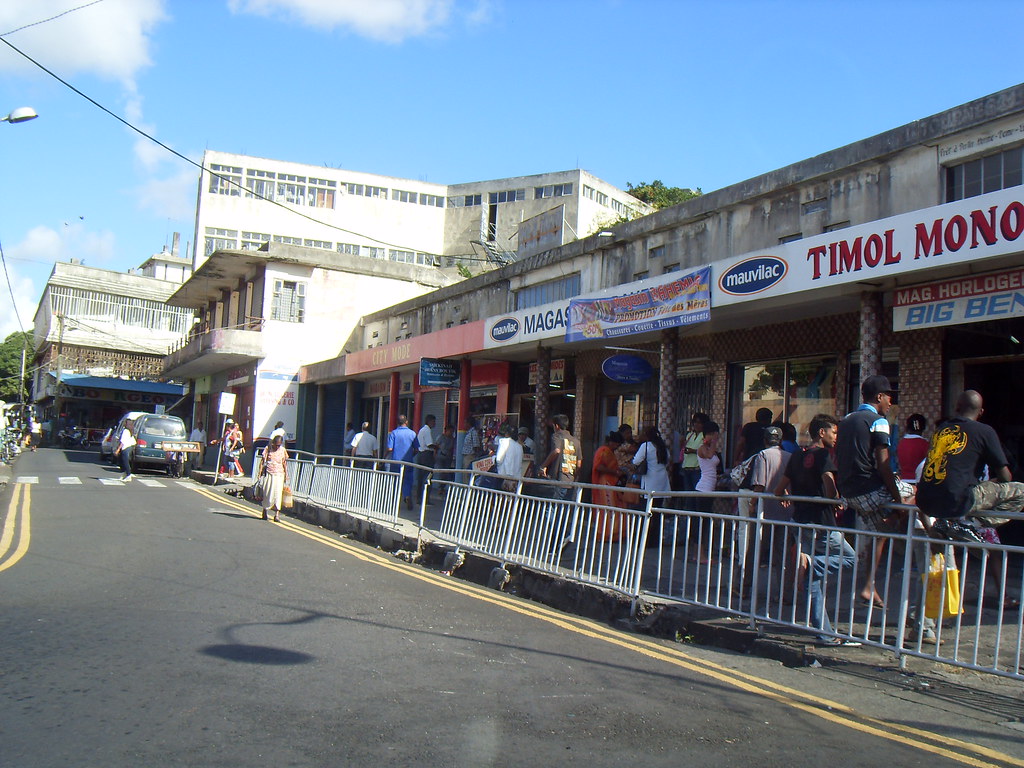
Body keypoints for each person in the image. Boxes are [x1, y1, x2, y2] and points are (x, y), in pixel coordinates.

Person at [775, 414, 860, 646]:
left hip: (800, 521)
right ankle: (811, 562)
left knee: (813, 580)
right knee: (850, 559)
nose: (836, 437)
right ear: (821, 433)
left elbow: (778, 490)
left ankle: (824, 632)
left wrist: (788, 497)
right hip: (822, 523)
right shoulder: (823, 455)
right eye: (834, 432)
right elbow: (830, 488)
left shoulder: (796, 456)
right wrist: (836, 498)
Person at [836, 374, 913, 609]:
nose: (891, 402)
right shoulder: (878, 421)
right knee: (916, 493)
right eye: (889, 397)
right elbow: (883, 463)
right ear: (879, 397)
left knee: (880, 532)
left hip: (849, 491)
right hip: (870, 488)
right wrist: (898, 498)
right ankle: (917, 528)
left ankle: (869, 587)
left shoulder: (847, 419)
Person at [917, 390, 1024, 539]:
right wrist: (991, 482)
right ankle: (970, 524)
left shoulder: (941, 429)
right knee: (1021, 491)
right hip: (958, 501)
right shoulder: (984, 431)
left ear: (957, 407)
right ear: (981, 412)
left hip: (925, 501)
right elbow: (1005, 476)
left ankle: (945, 524)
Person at [737, 425, 793, 588]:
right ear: (780, 441)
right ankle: (785, 592)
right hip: (785, 511)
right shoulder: (789, 456)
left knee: (754, 551)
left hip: (765, 510)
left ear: (765, 441)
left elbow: (759, 485)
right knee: (783, 554)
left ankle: (744, 587)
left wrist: (753, 504)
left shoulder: (762, 455)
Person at [538, 414, 582, 501]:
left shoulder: (556, 436)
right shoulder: (576, 441)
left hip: (559, 479)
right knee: (564, 509)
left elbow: (556, 451)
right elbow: (579, 463)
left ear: (556, 426)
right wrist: (573, 476)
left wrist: (543, 466)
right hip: (570, 481)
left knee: (552, 507)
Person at [592, 431, 626, 541]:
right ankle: (606, 534)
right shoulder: (604, 451)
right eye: (616, 444)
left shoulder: (608, 451)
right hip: (606, 483)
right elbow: (599, 467)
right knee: (609, 508)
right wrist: (615, 472)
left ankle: (613, 534)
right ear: (611, 442)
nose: (617, 447)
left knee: (613, 508)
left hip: (611, 483)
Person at [385, 415, 419, 508]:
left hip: (395, 461)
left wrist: (385, 456)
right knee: (408, 480)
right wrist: (411, 456)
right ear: (406, 422)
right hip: (408, 461)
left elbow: (390, 448)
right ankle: (407, 495)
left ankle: (394, 501)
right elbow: (416, 449)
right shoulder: (412, 434)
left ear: (397, 422)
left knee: (395, 480)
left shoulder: (393, 433)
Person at [259, 432, 289, 522]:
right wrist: (259, 473)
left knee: (278, 495)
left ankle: (276, 515)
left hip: (279, 475)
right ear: (273, 443)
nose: (277, 447)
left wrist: (286, 475)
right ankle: (265, 510)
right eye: (276, 445)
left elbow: (284, 463)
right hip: (269, 474)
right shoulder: (268, 449)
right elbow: (262, 461)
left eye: (279, 445)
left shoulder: (283, 450)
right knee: (268, 493)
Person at [896, 413, 929, 483]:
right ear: (924, 428)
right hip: (918, 482)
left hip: (903, 481)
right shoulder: (925, 444)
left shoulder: (901, 443)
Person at [679, 413, 706, 493]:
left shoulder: (704, 436)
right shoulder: (690, 435)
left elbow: (706, 452)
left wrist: (693, 451)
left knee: (697, 493)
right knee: (688, 494)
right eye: (695, 422)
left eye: (699, 423)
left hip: (697, 469)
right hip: (686, 467)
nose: (696, 425)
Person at [414, 414, 438, 503]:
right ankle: (425, 499)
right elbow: (429, 444)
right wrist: (437, 447)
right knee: (428, 476)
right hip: (426, 455)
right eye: (433, 421)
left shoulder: (422, 430)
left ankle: (419, 498)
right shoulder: (427, 430)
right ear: (429, 421)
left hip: (421, 454)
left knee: (421, 477)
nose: (435, 423)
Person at [113, 417, 137, 482]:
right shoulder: (130, 430)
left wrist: (118, 450)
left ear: (127, 424)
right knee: (121, 460)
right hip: (129, 446)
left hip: (126, 446)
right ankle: (124, 474)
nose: (123, 424)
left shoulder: (126, 431)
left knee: (125, 461)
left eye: (124, 423)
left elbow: (123, 441)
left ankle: (128, 475)